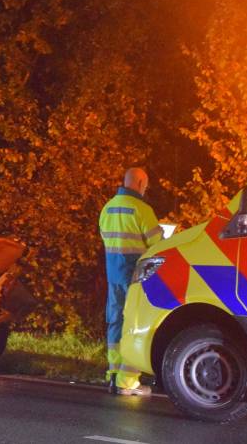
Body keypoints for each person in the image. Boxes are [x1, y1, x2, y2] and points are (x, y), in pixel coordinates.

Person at [99, 167, 162, 396]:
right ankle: (128, 381)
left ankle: (114, 374)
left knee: (115, 322)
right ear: (140, 183)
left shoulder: (108, 208)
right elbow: (158, 246)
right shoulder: (141, 210)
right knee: (133, 323)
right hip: (135, 276)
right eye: (145, 185)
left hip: (113, 274)